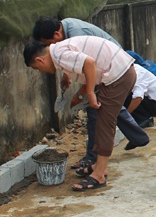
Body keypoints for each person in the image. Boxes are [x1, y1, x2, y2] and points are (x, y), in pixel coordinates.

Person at [32, 17, 148, 166]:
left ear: (56, 34)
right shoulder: (65, 26)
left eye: (49, 44)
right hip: (108, 66)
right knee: (109, 107)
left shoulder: (75, 33)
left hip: (111, 67)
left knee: (96, 110)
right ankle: (138, 137)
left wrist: (81, 94)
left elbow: (89, 66)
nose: (50, 48)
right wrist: (66, 73)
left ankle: (93, 159)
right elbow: (75, 56)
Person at [23, 37, 136, 191]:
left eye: (36, 68)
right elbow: (81, 59)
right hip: (119, 72)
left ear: (40, 60)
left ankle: (99, 176)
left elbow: (88, 62)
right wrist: (67, 74)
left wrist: (89, 93)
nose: (40, 71)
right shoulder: (58, 51)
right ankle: (99, 167)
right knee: (101, 121)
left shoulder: (59, 54)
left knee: (104, 123)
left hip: (118, 76)